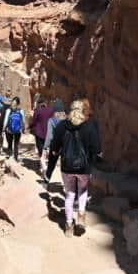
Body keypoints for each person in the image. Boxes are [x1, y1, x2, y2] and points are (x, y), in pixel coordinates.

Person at [49, 99, 101, 237]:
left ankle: (68, 225)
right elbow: (96, 148)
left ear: (70, 109)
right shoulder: (89, 126)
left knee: (70, 194)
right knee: (83, 190)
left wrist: (55, 152)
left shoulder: (61, 126)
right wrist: (94, 158)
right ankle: (81, 216)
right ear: (83, 110)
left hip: (67, 167)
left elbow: (54, 145)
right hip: (84, 167)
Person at [40, 99, 66, 183]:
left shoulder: (51, 120)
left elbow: (49, 136)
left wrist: (45, 147)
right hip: (66, 146)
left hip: (55, 146)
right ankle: (67, 186)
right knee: (65, 167)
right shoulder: (67, 120)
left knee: (51, 165)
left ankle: (46, 182)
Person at [3, 97, 26, 161]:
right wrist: (23, 128)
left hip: (9, 130)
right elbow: (23, 121)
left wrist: (3, 129)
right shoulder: (21, 110)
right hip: (18, 131)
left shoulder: (8, 110)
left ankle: (10, 157)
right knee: (16, 145)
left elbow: (5, 121)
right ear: (18, 103)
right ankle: (15, 158)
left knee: (9, 144)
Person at [0, 89, 12, 153]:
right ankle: (2, 147)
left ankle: (6, 148)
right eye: (7, 91)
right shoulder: (3, 101)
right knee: (3, 135)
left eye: (9, 91)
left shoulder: (11, 102)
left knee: (7, 135)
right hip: (3, 121)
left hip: (6, 121)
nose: (8, 92)